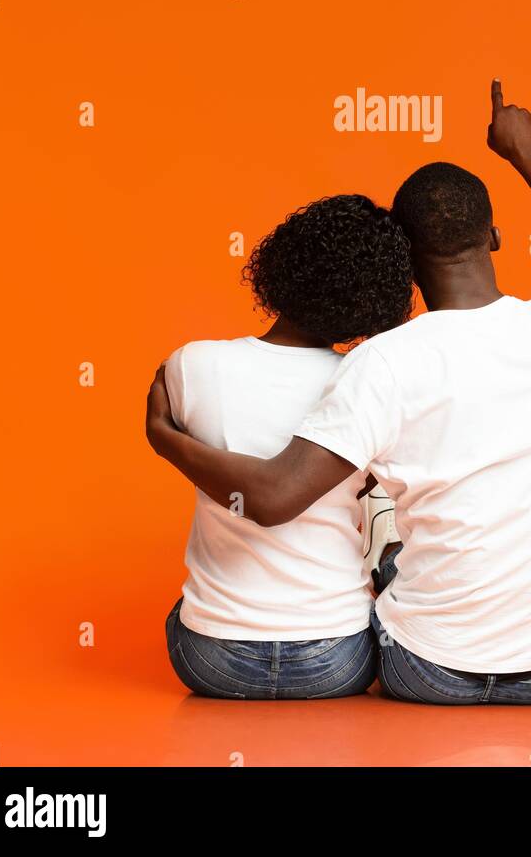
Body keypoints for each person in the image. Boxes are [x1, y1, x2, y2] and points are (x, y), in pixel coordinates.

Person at [148, 81, 531, 705]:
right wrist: (525, 150)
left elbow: (272, 497)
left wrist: (166, 440)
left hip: (431, 675)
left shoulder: (381, 363)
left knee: (385, 544)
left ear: (406, 260)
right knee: (387, 529)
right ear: (495, 238)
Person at [156, 193, 413, 701]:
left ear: (282, 264)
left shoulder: (192, 365)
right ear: (376, 302)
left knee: (182, 610)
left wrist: (165, 441)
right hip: (339, 660)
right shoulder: (369, 384)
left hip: (210, 660)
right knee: (378, 513)